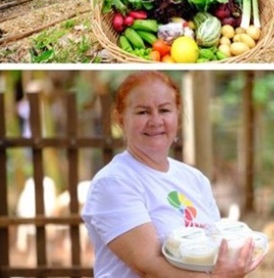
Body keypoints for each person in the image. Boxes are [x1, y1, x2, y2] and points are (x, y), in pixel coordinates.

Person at [82, 71, 262, 277]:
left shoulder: (195, 179)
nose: (155, 121)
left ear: (177, 114)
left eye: (164, 110)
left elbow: (214, 250)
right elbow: (150, 266)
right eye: (143, 112)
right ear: (120, 119)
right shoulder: (113, 182)